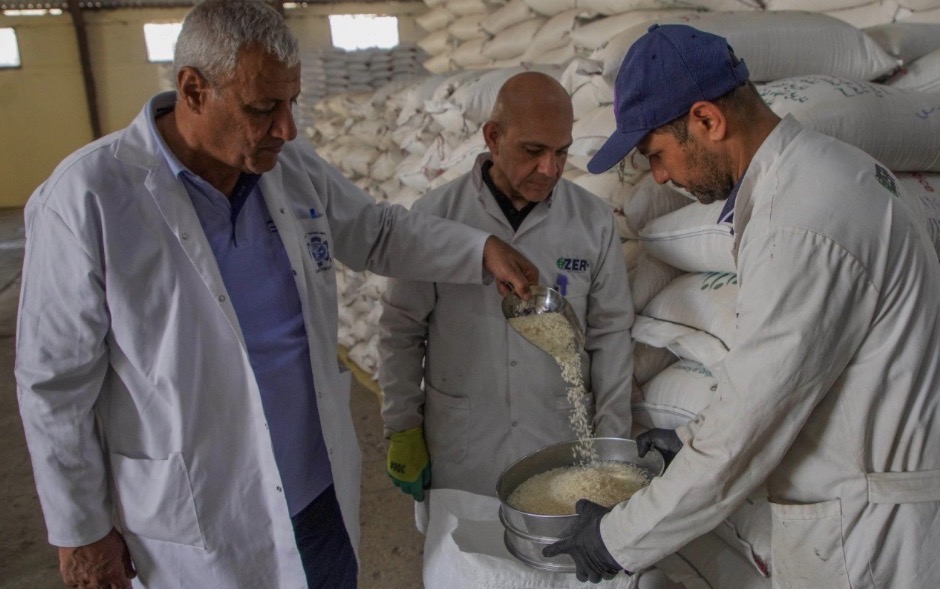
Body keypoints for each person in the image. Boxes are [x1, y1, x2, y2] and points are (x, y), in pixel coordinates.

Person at [13, 1, 539, 588]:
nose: (286, 129)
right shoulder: (88, 198)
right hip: (202, 511)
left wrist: (479, 250)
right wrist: (80, 529)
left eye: (291, 103)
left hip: (316, 491)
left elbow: (377, 231)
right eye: (263, 108)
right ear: (193, 90)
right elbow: (54, 384)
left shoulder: (288, 168)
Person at [544, 24, 940, 587]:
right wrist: (689, 439)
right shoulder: (820, 174)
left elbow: (748, 428)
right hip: (866, 509)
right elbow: (787, 376)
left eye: (656, 154)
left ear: (707, 120)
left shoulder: (799, 223)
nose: (661, 176)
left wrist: (616, 538)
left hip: (869, 540)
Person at [378, 72, 634, 503]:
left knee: (555, 541)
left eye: (561, 152)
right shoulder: (435, 217)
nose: (549, 168)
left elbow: (610, 336)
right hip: (463, 445)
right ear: (493, 138)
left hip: (558, 441)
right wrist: (402, 426)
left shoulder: (591, 221)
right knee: (463, 544)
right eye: (533, 151)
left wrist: (611, 446)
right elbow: (401, 329)